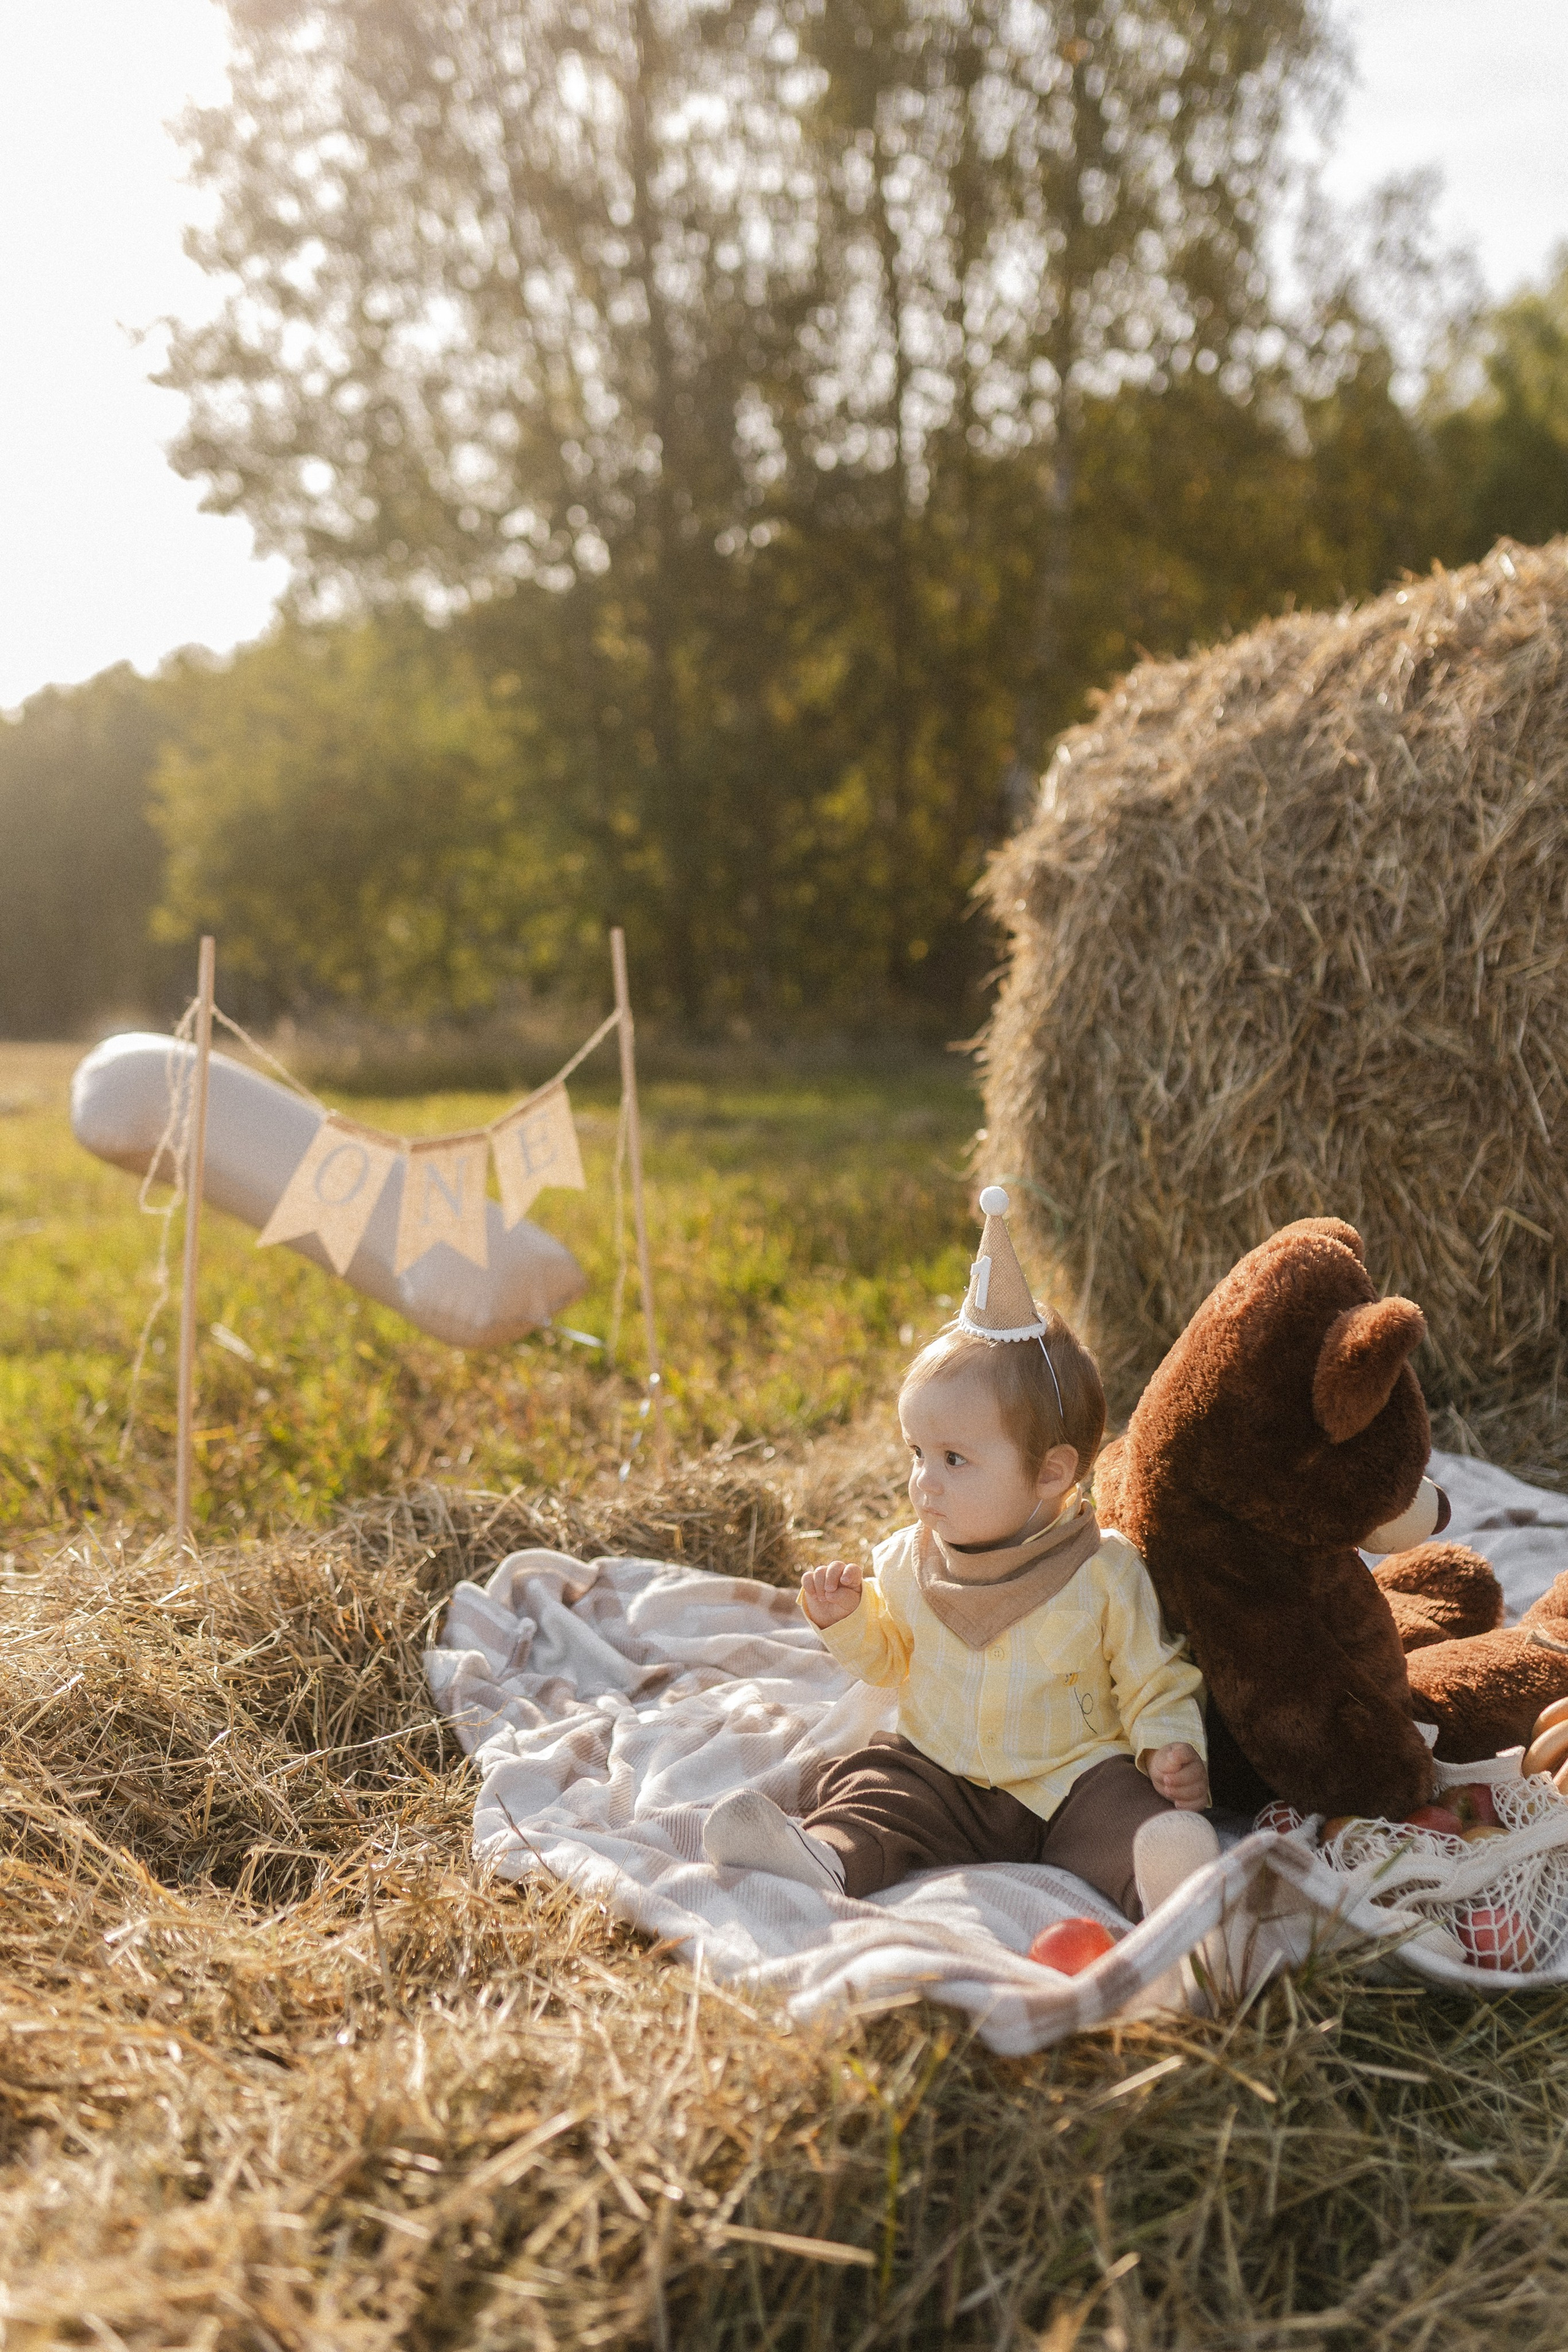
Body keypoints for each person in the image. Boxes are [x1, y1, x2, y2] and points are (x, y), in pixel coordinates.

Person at [704, 1186, 1219, 1921]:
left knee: (1128, 1814)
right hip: (941, 1771)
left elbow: (1152, 1677)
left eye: (953, 1459)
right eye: (916, 1452)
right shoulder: (907, 1561)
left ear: (1050, 1474)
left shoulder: (1101, 1570)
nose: (924, 1480)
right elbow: (888, 1662)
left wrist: (1168, 1749)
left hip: (1067, 1780)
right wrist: (846, 1619)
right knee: (879, 1782)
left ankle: (1170, 1889)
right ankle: (825, 1855)